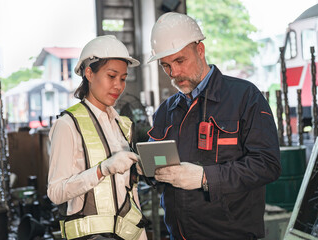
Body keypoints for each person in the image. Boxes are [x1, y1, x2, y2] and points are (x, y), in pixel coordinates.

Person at [146, 12, 281, 240]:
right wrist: (145, 169)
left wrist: (205, 177)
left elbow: (267, 164)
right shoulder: (165, 111)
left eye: (180, 61)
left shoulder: (245, 97)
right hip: (178, 235)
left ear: (200, 51)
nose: (174, 73)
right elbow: (155, 168)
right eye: (166, 65)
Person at [47, 35, 148, 240]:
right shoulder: (68, 124)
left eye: (122, 78)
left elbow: (128, 192)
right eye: (111, 76)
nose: (119, 86)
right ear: (89, 73)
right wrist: (102, 170)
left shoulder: (122, 125)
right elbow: (56, 192)